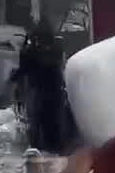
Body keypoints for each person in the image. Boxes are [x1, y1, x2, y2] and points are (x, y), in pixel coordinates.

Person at [10, 15, 79, 154]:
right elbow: (57, 65)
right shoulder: (55, 47)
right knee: (54, 119)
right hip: (54, 88)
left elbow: (25, 67)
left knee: (38, 119)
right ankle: (57, 145)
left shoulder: (32, 51)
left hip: (40, 89)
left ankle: (41, 146)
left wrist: (15, 78)